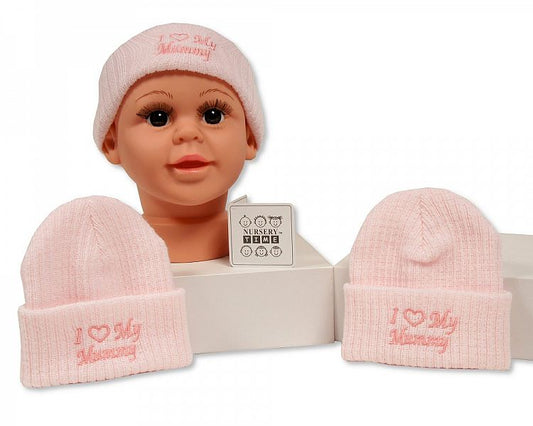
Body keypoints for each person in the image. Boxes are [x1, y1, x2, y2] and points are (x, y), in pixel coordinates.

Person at [93, 23, 265, 262]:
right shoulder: (93, 261)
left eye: (213, 115)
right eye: (158, 117)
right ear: (112, 142)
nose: (188, 133)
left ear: (249, 137)